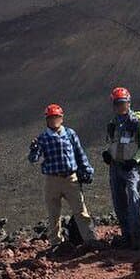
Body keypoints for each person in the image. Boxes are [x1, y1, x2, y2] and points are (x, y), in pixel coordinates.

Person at [28, 103, 98, 249]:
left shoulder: (70, 134)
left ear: (61, 118)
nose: (54, 120)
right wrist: (33, 150)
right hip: (52, 180)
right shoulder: (43, 138)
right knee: (53, 214)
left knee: (81, 211)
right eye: (51, 118)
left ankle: (90, 241)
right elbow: (34, 159)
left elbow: (79, 153)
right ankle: (56, 243)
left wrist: (87, 170)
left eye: (56, 117)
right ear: (47, 120)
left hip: (70, 178)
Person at [101, 87, 140, 249]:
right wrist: (108, 154)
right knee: (118, 200)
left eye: (123, 103)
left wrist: (135, 160)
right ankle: (126, 234)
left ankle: (137, 234)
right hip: (115, 167)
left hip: (131, 168)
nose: (121, 106)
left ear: (129, 103)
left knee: (134, 196)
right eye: (117, 103)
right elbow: (112, 143)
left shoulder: (137, 121)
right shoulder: (112, 124)